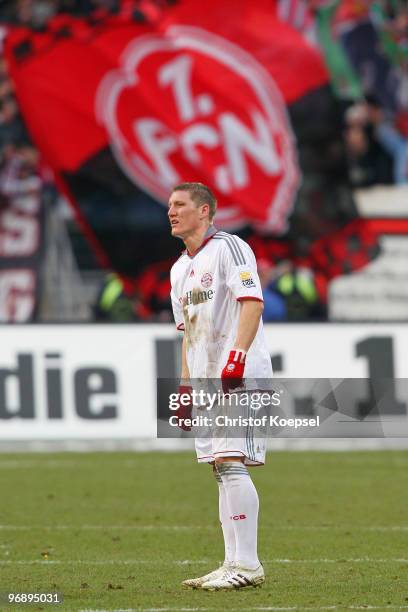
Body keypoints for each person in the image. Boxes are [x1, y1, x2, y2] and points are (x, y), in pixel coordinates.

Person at [168, 182, 273, 591]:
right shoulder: (179, 269)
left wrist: (238, 356)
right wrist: (185, 386)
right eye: (170, 206)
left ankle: (247, 565)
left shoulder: (230, 247)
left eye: (180, 205)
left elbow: (252, 301)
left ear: (205, 211)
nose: (171, 212)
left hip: (239, 375)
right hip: (208, 377)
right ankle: (231, 561)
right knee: (220, 467)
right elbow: (187, 333)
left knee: (232, 461)